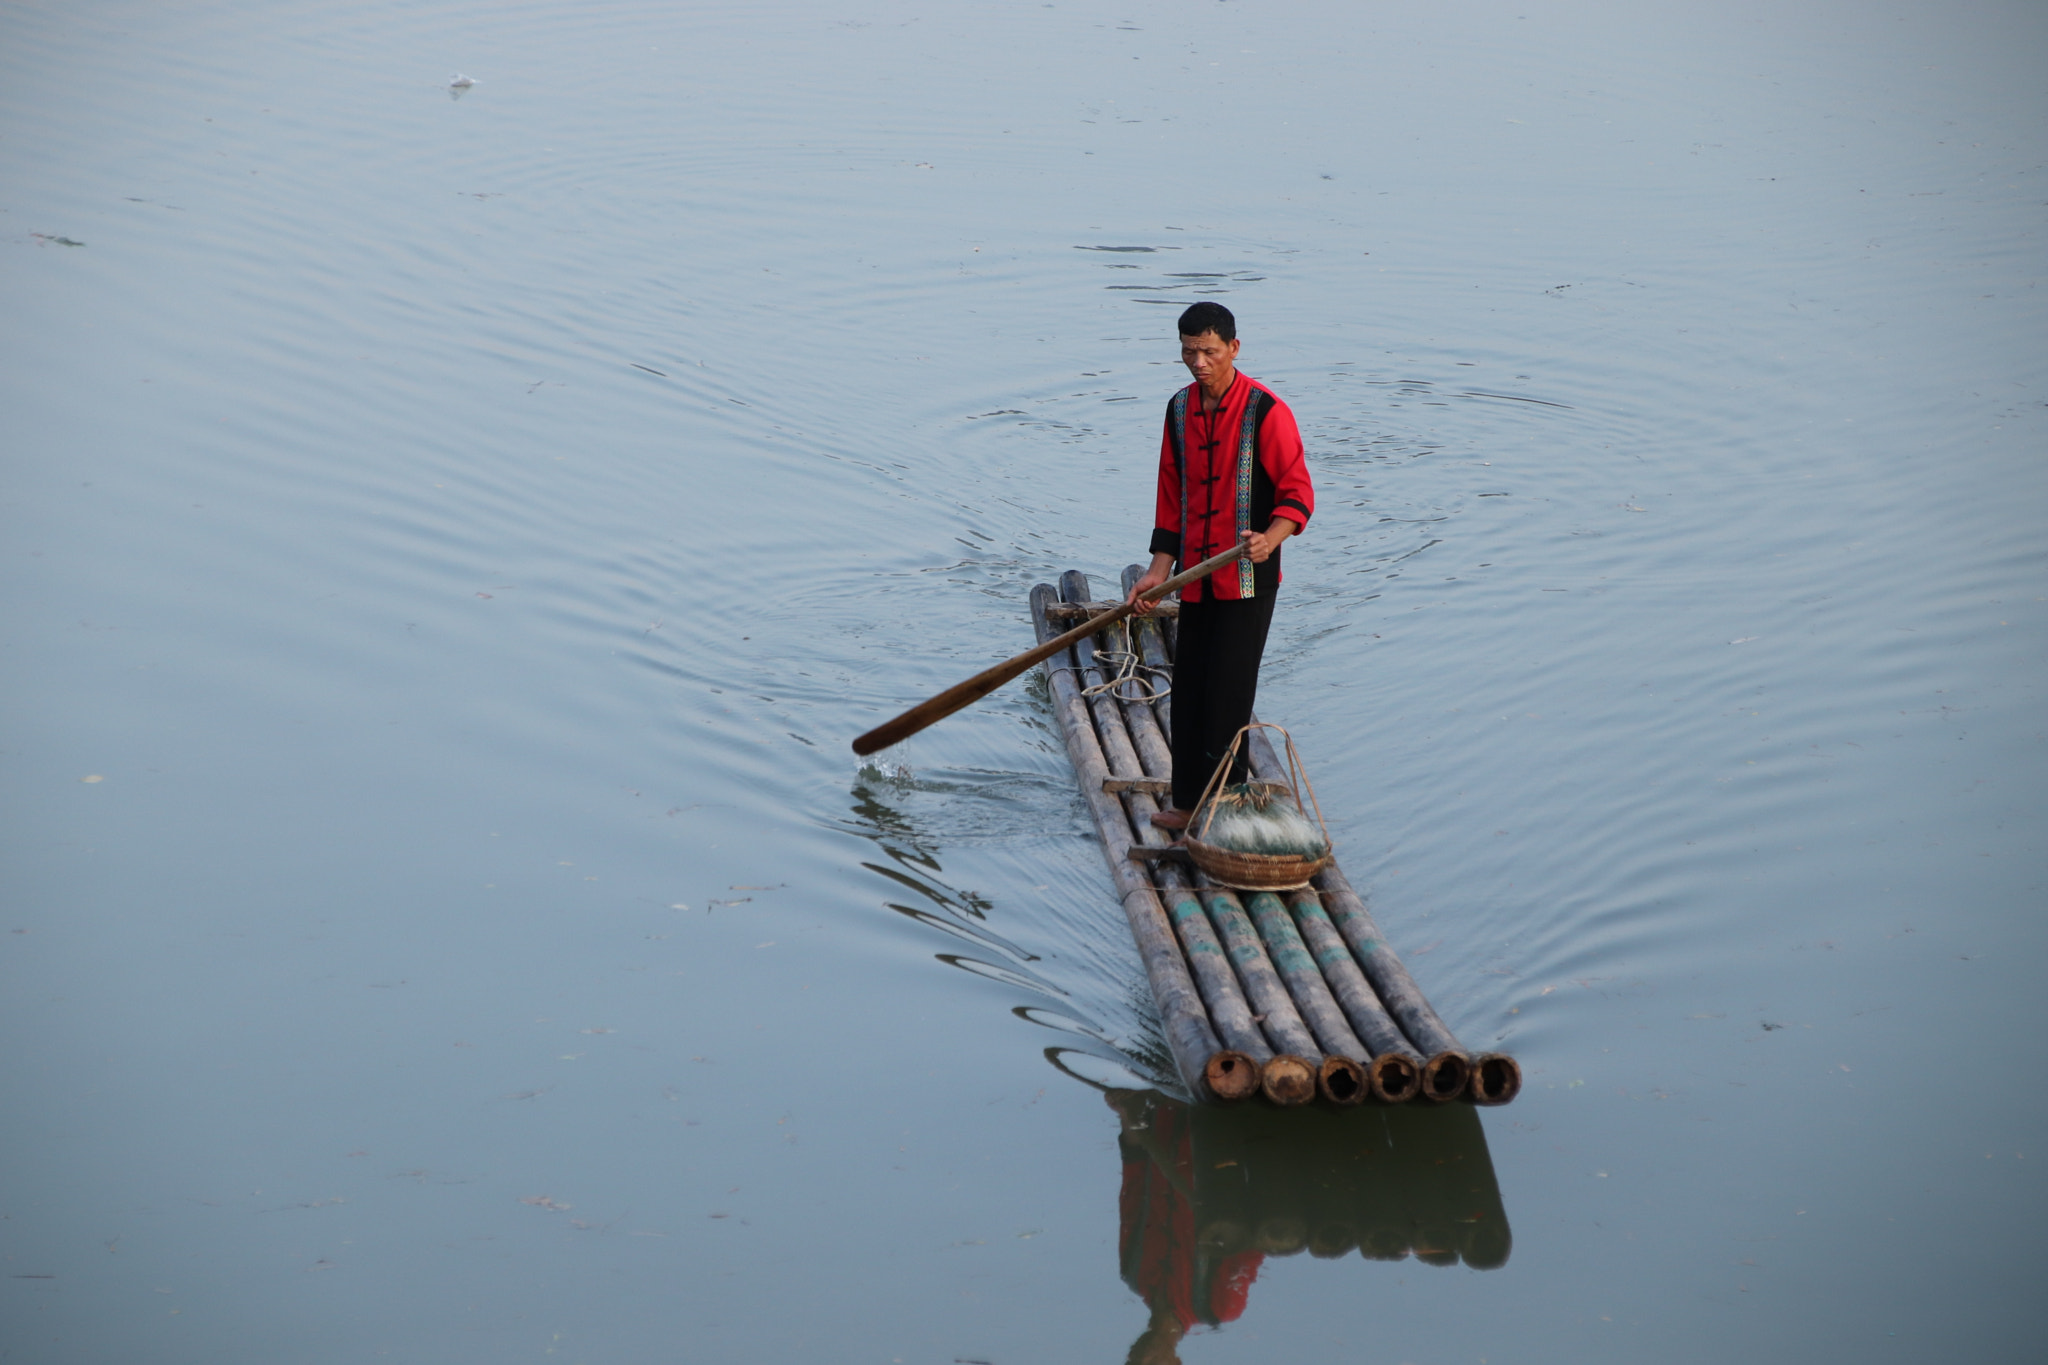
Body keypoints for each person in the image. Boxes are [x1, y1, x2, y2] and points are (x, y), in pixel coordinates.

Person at [1126, 303, 1314, 832]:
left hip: (1248, 580)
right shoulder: (1179, 409)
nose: (1199, 363)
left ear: (1234, 347)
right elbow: (1172, 492)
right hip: (1196, 580)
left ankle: (1222, 817)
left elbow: (1298, 496)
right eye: (1189, 352)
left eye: (1209, 351)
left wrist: (1269, 539)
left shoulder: (1265, 411)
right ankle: (1188, 805)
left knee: (1228, 698)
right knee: (1189, 691)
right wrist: (1159, 569)